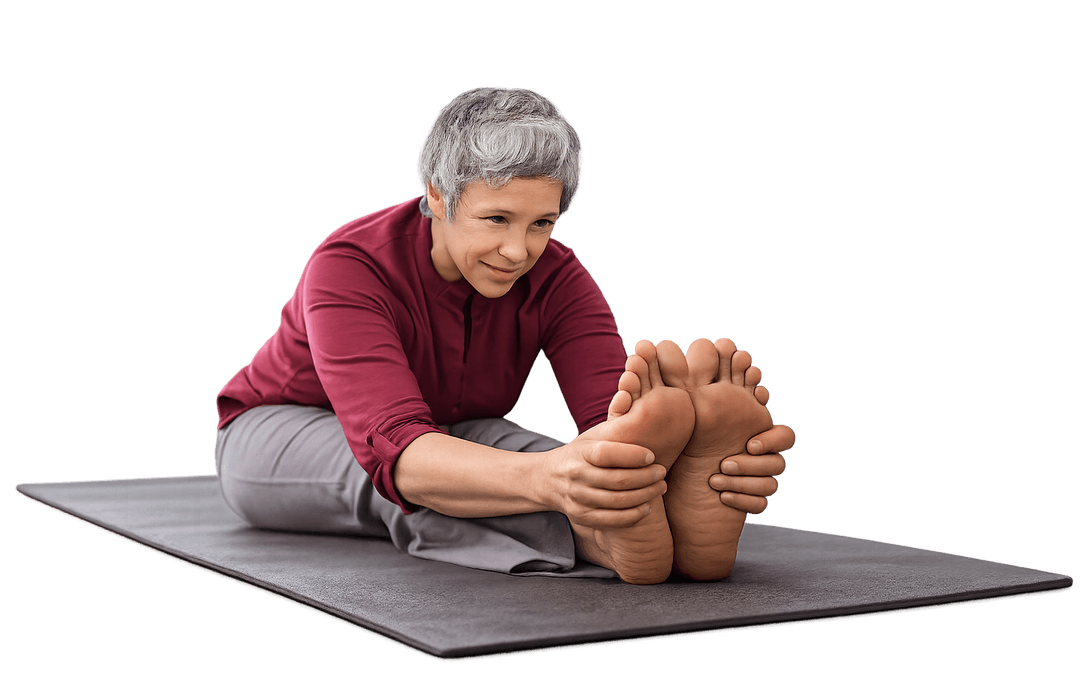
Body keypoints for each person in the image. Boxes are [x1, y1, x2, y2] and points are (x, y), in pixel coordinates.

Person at [214, 87, 795, 585]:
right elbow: (393, 446)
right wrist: (554, 481)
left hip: (448, 431)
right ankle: (596, 539)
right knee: (414, 485)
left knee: (519, 449)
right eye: (496, 219)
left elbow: (612, 426)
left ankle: (649, 522)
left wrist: (666, 467)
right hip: (279, 430)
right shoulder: (349, 265)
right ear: (437, 197)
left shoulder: (558, 277)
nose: (519, 251)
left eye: (540, 223)